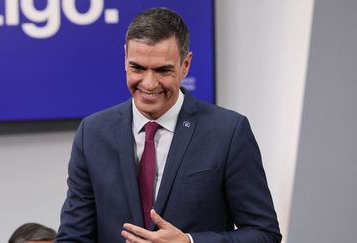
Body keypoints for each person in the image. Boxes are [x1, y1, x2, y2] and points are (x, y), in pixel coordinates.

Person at [55, 7, 281, 243]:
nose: (149, 83)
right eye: (138, 68)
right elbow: (73, 237)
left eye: (163, 70)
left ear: (185, 65)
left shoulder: (228, 132)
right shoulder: (91, 133)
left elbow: (265, 234)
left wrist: (189, 242)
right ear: (125, 58)